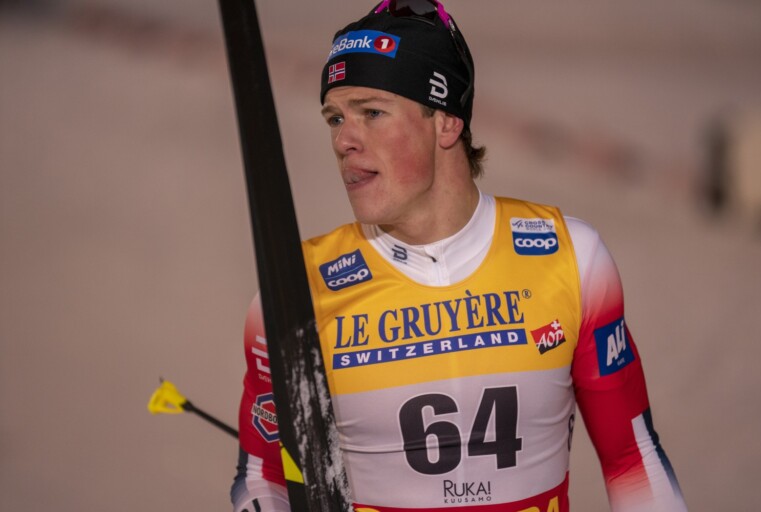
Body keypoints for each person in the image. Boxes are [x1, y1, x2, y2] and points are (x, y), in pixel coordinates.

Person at [231, 1, 687, 510]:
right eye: (335, 118)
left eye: (372, 112)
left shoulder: (572, 258)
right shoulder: (296, 289)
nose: (343, 140)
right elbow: (261, 476)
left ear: (447, 123)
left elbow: (631, 458)